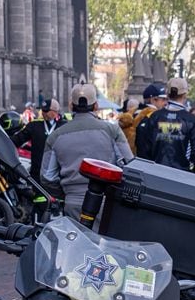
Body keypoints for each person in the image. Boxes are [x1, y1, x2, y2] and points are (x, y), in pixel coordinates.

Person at [41, 83, 133, 215]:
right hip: (106, 203)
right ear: (96, 105)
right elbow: (128, 165)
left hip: (73, 203)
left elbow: (47, 178)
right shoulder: (112, 130)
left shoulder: (55, 136)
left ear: (71, 105)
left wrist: (67, 194)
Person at [135, 77, 195, 174]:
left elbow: (144, 149)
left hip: (155, 175)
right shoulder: (191, 120)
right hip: (182, 177)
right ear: (185, 94)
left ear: (167, 94)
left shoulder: (154, 117)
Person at [23, 98, 63, 181]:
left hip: (59, 175)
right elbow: (17, 140)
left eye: (46, 111)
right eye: (42, 110)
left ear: (55, 112)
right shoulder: (34, 126)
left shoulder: (64, 126)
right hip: (37, 175)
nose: (43, 113)